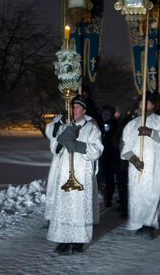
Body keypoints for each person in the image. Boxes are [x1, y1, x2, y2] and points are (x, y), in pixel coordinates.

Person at [46, 95, 104, 255]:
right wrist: (62, 137)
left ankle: (78, 240)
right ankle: (63, 241)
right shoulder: (64, 127)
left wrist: (77, 145)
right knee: (63, 207)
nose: (73, 110)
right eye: (71, 107)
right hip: (65, 171)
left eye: (77, 107)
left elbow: (97, 150)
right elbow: (55, 149)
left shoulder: (91, 128)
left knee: (79, 207)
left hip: (82, 172)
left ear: (84, 110)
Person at [121, 92, 160, 240]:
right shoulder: (131, 124)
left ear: (153, 105)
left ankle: (148, 225)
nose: (143, 105)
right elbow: (125, 147)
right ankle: (138, 223)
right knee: (137, 196)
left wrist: (150, 132)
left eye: (147, 102)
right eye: (141, 102)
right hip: (137, 167)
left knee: (152, 194)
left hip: (154, 167)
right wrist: (133, 159)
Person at [98, 104, 120, 208]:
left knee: (109, 178)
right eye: (103, 114)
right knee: (103, 177)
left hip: (111, 155)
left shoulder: (114, 124)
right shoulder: (99, 123)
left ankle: (108, 199)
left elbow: (114, 140)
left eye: (107, 114)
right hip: (102, 154)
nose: (104, 116)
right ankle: (105, 195)